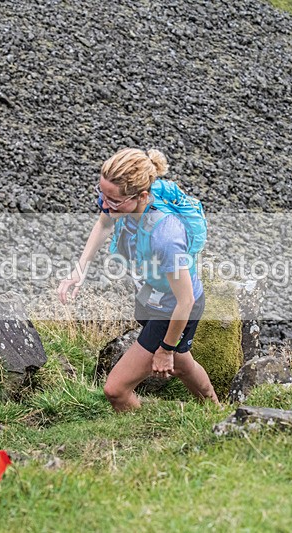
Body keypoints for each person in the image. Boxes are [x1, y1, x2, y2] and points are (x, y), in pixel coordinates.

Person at [57, 148, 219, 412]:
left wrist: (165, 349)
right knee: (183, 363)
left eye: (113, 201)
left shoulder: (166, 236)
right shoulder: (121, 204)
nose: (105, 206)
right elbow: (104, 224)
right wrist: (79, 270)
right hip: (154, 296)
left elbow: (186, 300)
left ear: (142, 196)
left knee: (116, 390)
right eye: (102, 195)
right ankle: (214, 408)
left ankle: (144, 426)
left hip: (172, 309)